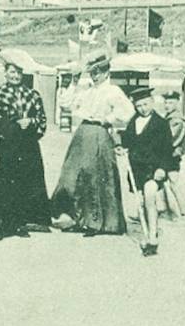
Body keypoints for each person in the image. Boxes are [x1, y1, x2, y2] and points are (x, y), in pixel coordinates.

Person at [51, 53, 134, 236]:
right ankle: (79, 219)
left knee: (96, 176)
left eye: (99, 72)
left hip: (99, 133)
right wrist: (73, 82)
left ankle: (98, 223)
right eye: (93, 72)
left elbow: (128, 111)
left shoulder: (113, 91)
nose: (95, 75)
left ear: (106, 72)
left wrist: (108, 119)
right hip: (82, 134)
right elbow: (65, 103)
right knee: (73, 175)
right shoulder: (87, 90)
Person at [0, 53, 52, 241]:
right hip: (5, 145)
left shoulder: (32, 94)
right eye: (12, 72)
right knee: (3, 185)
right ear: (5, 73)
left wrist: (31, 121)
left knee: (24, 184)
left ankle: (20, 224)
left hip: (27, 146)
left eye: (18, 73)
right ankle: (2, 226)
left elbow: (43, 120)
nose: (15, 76)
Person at [119, 88, 174, 256]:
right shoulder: (133, 121)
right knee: (142, 200)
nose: (142, 108)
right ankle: (150, 227)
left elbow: (167, 150)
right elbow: (127, 141)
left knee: (150, 197)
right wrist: (122, 148)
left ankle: (152, 237)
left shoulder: (161, 124)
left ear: (152, 102)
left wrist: (162, 168)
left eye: (145, 104)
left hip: (154, 169)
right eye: (138, 105)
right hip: (137, 169)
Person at [161, 91, 185, 218]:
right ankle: (169, 210)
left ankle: (181, 211)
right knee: (166, 183)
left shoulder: (176, 119)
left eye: (170, 102)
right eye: (166, 102)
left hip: (171, 154)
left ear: (177, 103)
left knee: (173, 183)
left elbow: (172, 138)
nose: (167, 105)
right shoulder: (169, 117)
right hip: (168, 154)